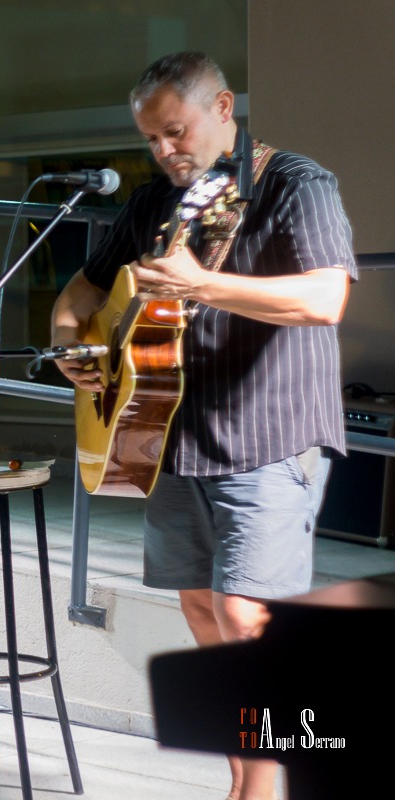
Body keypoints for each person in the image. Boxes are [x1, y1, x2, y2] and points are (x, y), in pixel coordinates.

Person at [50, 52, 354, 800]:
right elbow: (83, 289)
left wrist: (205, 285)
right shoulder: (156, 201)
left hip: (267, 435)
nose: (164, 150)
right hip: (170, 438)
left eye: (175, 132)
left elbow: (324, 299)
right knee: (201, 612)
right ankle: (245, 782)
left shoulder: (295, 183)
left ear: (223, 108)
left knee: (249, 619)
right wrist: (70, 341)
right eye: (150, 139)